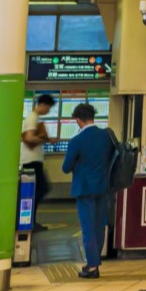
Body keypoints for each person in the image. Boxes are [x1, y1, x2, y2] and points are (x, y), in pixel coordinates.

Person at [61, 103, 113, 279]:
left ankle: (92, 266)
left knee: (88, 229)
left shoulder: (76, 141)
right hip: (103, 187)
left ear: (77, 120)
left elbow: (66, 167)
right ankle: (96, 259)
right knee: (99, 226)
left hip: (84, 189)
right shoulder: (105, 136)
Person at [22, 94, 57, 231]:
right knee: (39, 190)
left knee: (38, 190)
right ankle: (29, 220)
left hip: (33, 160)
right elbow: (29, 138)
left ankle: (30, 220)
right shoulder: (32, 118)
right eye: (48, 107)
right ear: (43, 105)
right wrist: (44, 140)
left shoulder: (33, 118)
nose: (48, 110)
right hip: (31, 160)